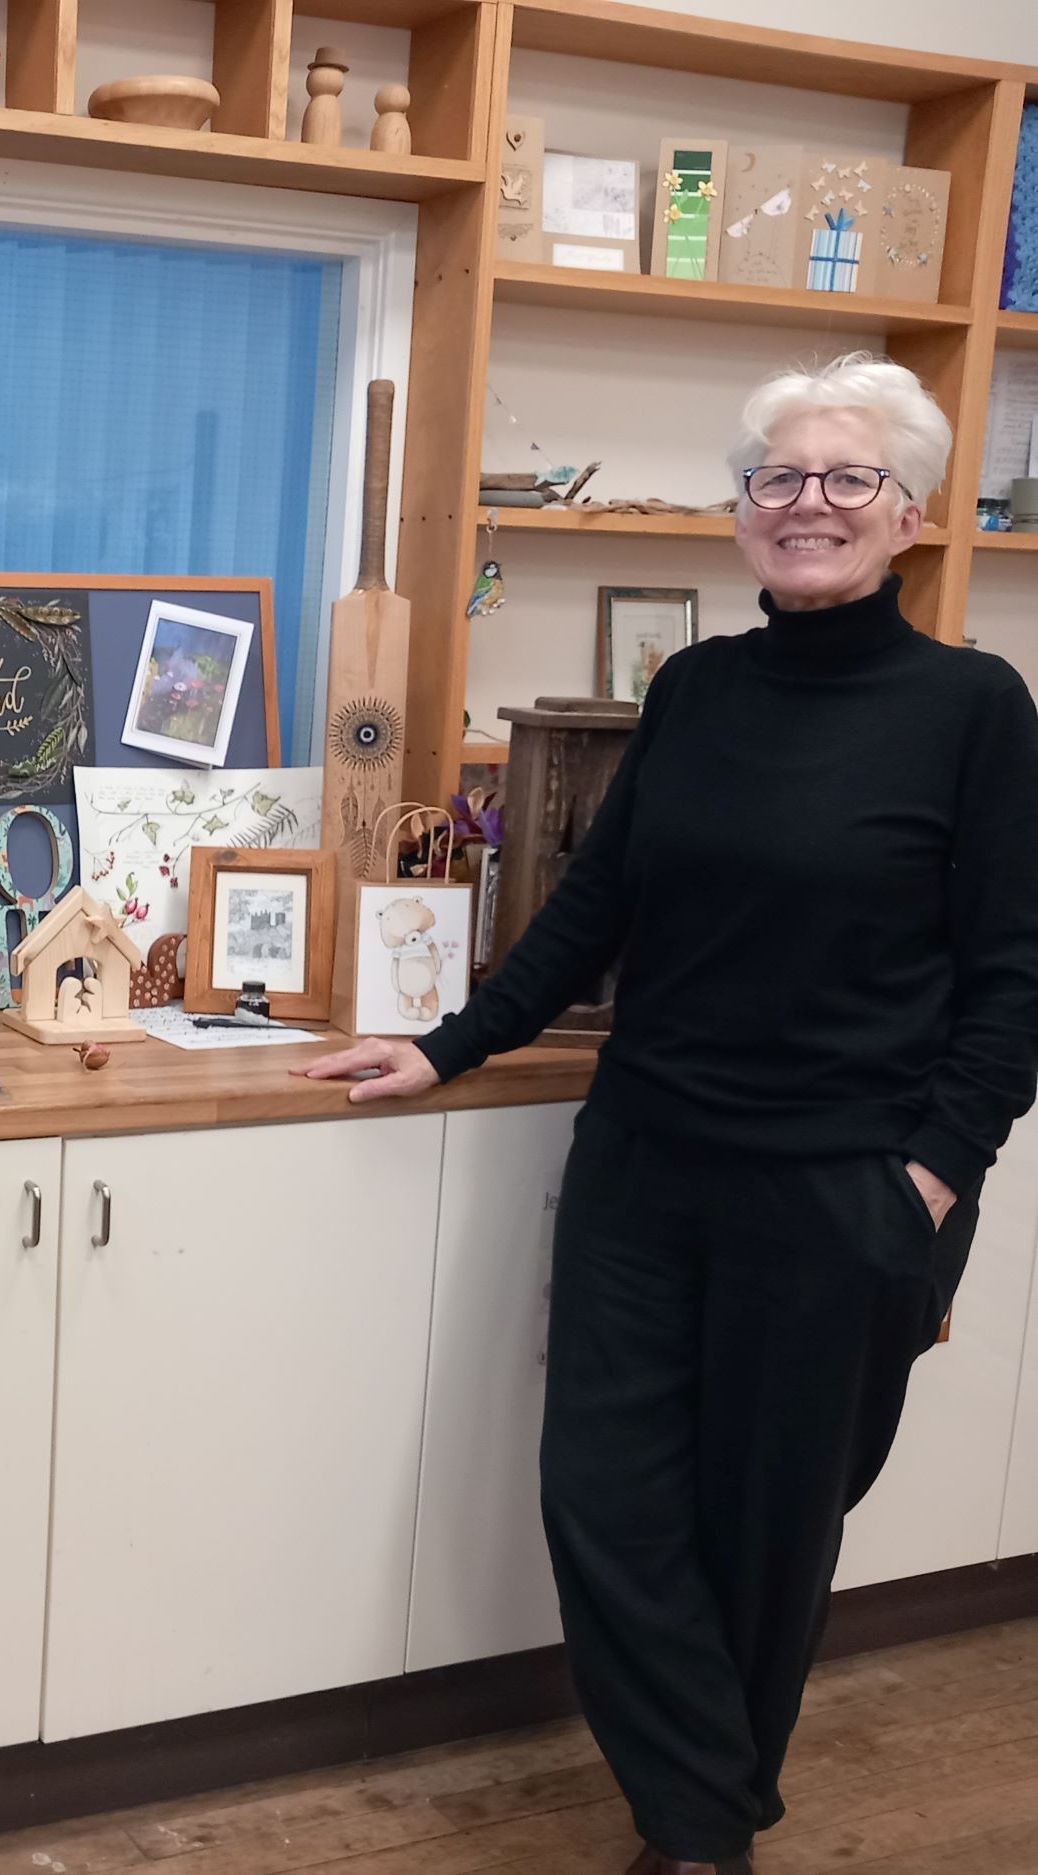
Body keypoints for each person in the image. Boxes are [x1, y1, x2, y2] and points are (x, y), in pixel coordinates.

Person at [307, 352, 1038, 1875]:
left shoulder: (974, 709)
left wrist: (934, 1176)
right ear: (740, 513)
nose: (807, 505)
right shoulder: (694, 689)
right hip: (646, 1162)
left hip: (844, 1191)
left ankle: (696, 1841)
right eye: (777, 477)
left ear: (910, 513)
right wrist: (450, 1045)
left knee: (769, 1535)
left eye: (847, 479)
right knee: (603, 1499)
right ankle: (712, 1805)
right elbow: (591, 910)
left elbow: (1013, 975)